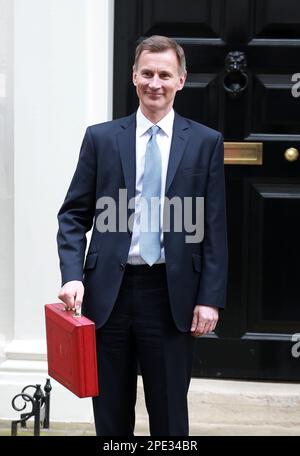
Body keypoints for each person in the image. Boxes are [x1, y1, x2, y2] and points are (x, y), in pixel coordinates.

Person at [57, 35, 228, 436]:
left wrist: (210, 298)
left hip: (172, 297)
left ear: (181, 80)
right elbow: (73, 215)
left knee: (169, 418)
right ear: (133, 76)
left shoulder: (205, 142)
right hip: (107, 297)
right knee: (111, 417)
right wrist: (72, 275)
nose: (155, 83)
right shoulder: (101, 138)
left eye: (164, 74)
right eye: (147, 73)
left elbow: (214, 226)